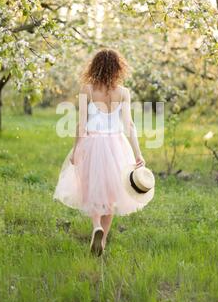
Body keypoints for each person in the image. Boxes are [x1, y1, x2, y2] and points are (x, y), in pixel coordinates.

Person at [54, 49, 154, 256]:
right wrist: (138, 154)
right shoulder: (124, 93)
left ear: (95, 66)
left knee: (90, 188)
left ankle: (96, 226)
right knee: (111, 194)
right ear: (118, 68)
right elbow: (130, 126)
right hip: (117, 145)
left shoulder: (87, 90)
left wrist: (75, 149)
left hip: (91, 143)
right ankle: (103, 241)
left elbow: (81, 124)